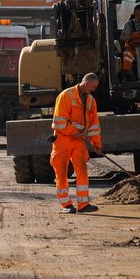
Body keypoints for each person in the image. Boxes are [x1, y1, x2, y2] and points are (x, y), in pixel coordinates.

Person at [50, 73, 102, 213]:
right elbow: (59, 122)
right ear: (86, 84)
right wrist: (75, 132)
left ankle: (83, 205)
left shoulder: (91, 101)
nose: (94, 90)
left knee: (82, 170)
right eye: (93, 87)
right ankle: (66, 205)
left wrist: (97, 145)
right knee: (61, 172)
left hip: (78, 141)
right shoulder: (66, 96)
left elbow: (94, 126)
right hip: (62, 140)